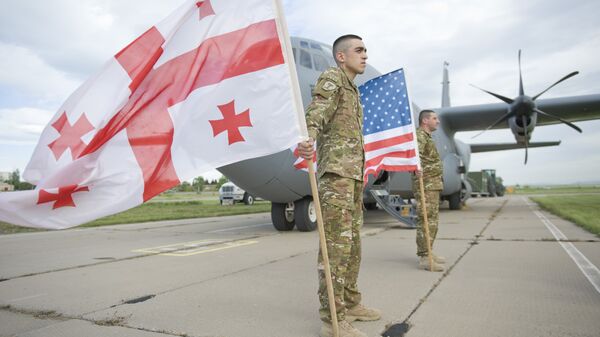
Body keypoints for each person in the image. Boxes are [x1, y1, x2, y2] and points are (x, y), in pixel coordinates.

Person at [297, 34, 380, 337]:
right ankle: (332, 319)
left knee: (353, 246)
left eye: (365, 50)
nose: (365, 55)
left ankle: (351, 303)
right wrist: (308, 137)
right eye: (359, 50)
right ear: (341, 56)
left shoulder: (353, 90)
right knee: (336, 249)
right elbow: (316, 110)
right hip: (336, 179)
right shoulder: (332, 77)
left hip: (352, 177)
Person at [413, 109, 445, 272]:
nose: (437, 121)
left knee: (432, 221)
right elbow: (414, 155)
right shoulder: (419, 136)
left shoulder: (426, 137)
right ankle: (425, 257)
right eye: (434, 118)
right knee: (426, 220)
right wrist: (416, 169)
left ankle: (429, 251)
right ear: (425, 121)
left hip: (432, 184)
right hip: (425, 185)